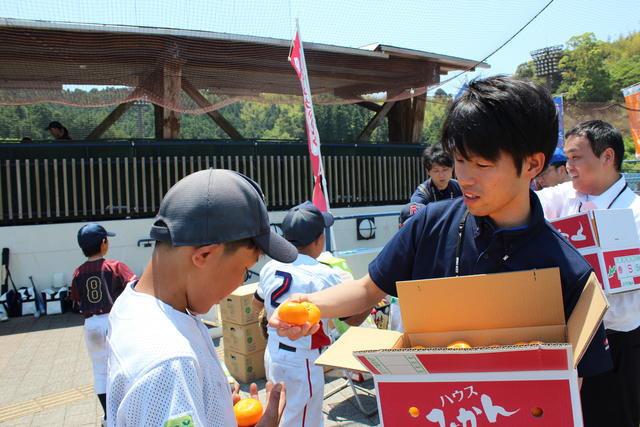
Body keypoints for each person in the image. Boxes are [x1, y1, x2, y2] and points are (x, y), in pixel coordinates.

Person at [269, 76, 612, 386]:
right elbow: (366, 290)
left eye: (482, 164)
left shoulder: (569, 273)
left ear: (533, 164)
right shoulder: (430, 224)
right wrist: (308, 303)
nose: (465, 177)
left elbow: (567, 388)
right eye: (459, 160)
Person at [106, 169, 294, 427]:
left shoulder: (134, 302)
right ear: (204, 256)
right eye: (244, 270)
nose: (241, 282)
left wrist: (211, 408)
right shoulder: (170, 365)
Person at [536, 120, 640, 427]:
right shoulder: (563, 197)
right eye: (567, 159)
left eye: (576, 157)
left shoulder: (634, 214)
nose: (569, 166)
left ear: (607, 157)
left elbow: (630, 307)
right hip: (565, 340)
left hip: (616, 344)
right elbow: (523, 206)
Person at [252, 201, 342, 427]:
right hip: (303, 357)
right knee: (303, 420)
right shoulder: (323, 273)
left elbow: (256, 304)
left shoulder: (270, 267)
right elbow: (346, 316)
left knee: (279, 410)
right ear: (319, 240)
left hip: (273, 351)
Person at [71, 223, 137, 425]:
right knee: (125, 365)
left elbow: (75, 299)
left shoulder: (78, 272)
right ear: (103, 243)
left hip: (91, 324)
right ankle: (129, 411)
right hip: (113, 321)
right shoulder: (115, 266)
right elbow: (134, 287)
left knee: (100, 370)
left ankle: (109, 417)